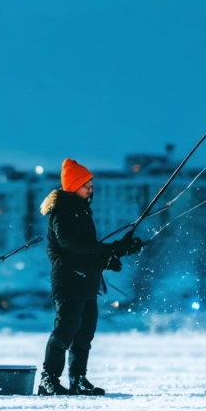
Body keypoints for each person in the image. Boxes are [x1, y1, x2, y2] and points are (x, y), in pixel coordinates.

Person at [38, 159, 143, 396]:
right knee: (66, 329)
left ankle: (78, 379)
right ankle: (49, 379)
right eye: (86, 185)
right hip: (68, 281)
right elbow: (71, 245)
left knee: (85, 333)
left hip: (87, 281)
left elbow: (87, 250)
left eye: (91, 185)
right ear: (73, 185)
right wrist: (108, 249)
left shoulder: (82, 211)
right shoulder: (62, 212)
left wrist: (112, 255)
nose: (90, 189)